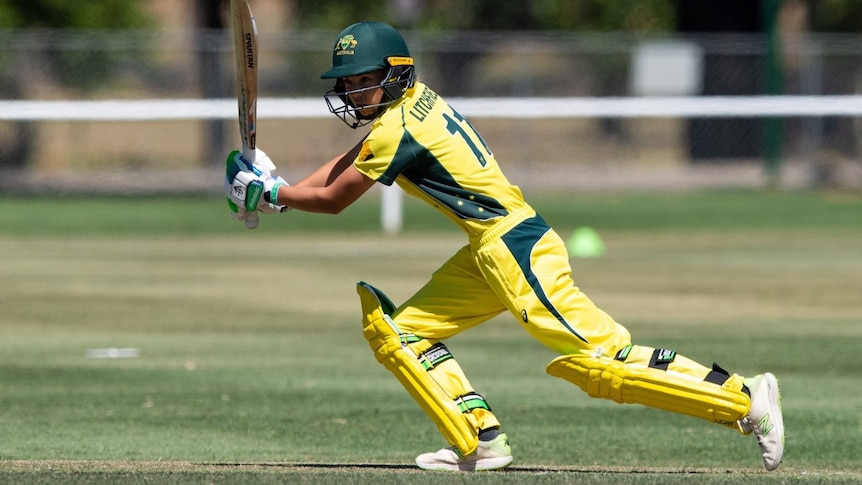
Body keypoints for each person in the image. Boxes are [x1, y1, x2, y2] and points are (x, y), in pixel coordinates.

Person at [225, 21, 784, 472]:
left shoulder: (399, 128)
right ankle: (480, 441)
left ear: (396, 76)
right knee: (403, 332)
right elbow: (343, 167)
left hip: (515, 248)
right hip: (489, 249)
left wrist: (273, 192)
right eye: (347, 82)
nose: (351, 92)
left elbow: (334, 199)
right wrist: (277, 191)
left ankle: (745, 398)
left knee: (602, 363)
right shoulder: (413, 105)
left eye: (361, 80)